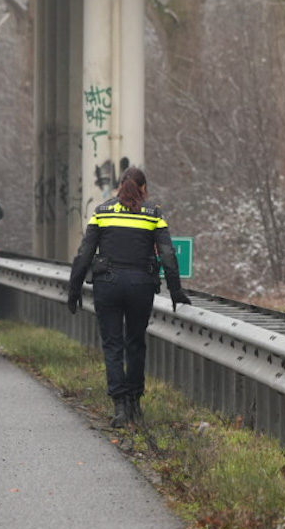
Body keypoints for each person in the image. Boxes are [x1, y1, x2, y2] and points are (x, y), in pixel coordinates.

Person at [67, 165, 192, 427]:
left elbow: (84, 254)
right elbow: (167, 255)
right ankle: (135, 401)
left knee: (113, 345)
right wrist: (176, 291)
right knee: (135, 343)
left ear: (119, 187)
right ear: (144, 188)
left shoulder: (101, 213)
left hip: (108, 285)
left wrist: (74, 289)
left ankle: (120, 406)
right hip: (140, 286)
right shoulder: (154, 214)